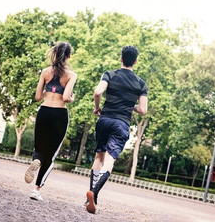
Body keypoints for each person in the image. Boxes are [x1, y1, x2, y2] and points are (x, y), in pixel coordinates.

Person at [85, 45, 148, 213]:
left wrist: (97, 108)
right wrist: (130, 106)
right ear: (135, 61)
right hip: (121, 124)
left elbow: (98, 92)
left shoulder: (109, 74)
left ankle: (90, 198)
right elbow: (143, 110)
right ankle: (95, 193)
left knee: (99, 157)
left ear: (121, 59)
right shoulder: (141, 84)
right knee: (110, 160)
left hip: (104, 119)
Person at [24, 41, 77, 201]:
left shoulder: (46, 72)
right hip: (59, 114)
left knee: (39, 149)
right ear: (69, 56)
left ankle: (36, 160)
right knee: (50, 155)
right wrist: (72, 99)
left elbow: (38, 97)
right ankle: (36, 190)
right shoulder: (71, 75)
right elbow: (66, 97)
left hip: (44, 111)